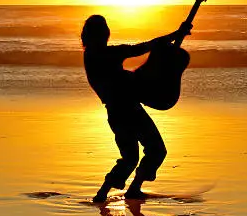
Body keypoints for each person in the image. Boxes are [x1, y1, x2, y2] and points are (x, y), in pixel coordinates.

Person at [82, 15, 191, 202]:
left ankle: (102, 193)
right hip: (129, 109)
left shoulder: (91, 55)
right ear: (102, 34)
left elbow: (144, 48)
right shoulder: (105, 54)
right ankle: (132, 189)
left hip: (116, 112)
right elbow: (145, 47)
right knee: (156, 149)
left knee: (130, 157)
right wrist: (176, 34)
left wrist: (176, 34)